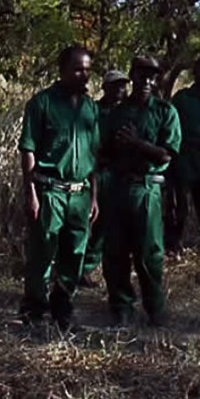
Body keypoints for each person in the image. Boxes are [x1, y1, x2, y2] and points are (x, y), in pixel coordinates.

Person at [17, 44, 100, 332]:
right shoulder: (42, 103)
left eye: (88, 70)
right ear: (62, 70)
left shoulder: (91, 107)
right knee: (42, 252)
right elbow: (28, 149)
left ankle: (63, 307)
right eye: (78, 69)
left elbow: (93, 155)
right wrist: (31, 194)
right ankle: (34, 310)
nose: (84, 75)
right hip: (50, 190)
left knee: (74, 254)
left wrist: (94, 197)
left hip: (80, 193)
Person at [101, 56, 181, 327]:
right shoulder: (117, 112)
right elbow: (104, 152)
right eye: (141, 75)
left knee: (150, 254)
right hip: (118, 188)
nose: (146, 81)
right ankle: (121, 306)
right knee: (115, 252)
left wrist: (136, 144)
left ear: (156, 80)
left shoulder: (165, 111)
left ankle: (155, 308)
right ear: (132, 76)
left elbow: (166, 155)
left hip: (148, 189)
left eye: (152, 76)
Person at [80, 69, 130, 288]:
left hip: (123, 172)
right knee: (95, 221)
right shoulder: (95, 111)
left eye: (123, 85)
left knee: (114, 223)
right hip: (99, 171)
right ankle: (82, 268)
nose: (120, 90)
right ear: (105, 87)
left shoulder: (128, 111)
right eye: (115, 85)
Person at [165, 57, 200, 252]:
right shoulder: (182, 99)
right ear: (195, 73)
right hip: (185, 162)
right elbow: (170, 128)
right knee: (179, 207)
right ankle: (173, 245)